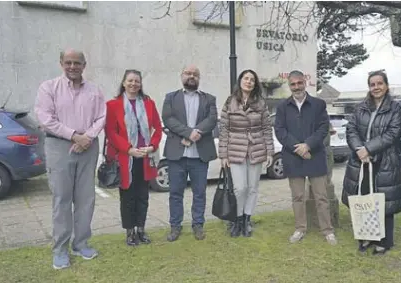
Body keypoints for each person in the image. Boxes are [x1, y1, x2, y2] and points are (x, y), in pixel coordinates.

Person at [34, 49, 105, 269]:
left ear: (84, 65)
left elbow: (102, 116)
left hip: (88, 147)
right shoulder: (48, 88)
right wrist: (75, 135)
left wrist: (87, 138)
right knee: (62, 200)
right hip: (59, 146)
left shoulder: (94, 91)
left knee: (86, 199)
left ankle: (81, 243)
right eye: (68, 62)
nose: (72, 66)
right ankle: (60, 249)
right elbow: (45, 118)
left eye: (77, 63)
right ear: (61, 63)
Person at [342, 71, 401, 255]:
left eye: (380, 83)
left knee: (384, 201)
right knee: (363, 199)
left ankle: (384, 241)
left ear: (386, 85)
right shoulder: (360, 107)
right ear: (369, 87)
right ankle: (366, 235)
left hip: (385, 161)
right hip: (361, 160)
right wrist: (359, 150)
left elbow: (393, 133)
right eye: (373, 84)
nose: (376, 87)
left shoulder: (395, 108)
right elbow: (351, 129)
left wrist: (368, 148)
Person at [274, 70, 337, 245]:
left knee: (321, 197)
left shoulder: (318, 104)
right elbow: (280, 131)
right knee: (298, 197)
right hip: (293, 157)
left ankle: (327, 230)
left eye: (299, 83)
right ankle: (300, 228)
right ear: (289, 85)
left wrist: (308, 145)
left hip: (315, 156)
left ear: (305, 82)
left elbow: (323, 128)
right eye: (293, 84)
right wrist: (299, 148)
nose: (296, 87)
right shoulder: (282, 107)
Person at [104, 70, 162, 246]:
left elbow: (158, 128)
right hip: (125, 158)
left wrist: (152, 146)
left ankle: (141, 230)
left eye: (137, 81)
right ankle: (130, 232)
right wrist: (128, 149)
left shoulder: (148, 103)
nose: (133, 84)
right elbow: (111, 132)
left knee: (143, 196)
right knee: (128, 197)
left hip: (145, 157)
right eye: (130, 81)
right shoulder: (113, 105)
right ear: (123, 83)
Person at [161, 65, 218, 242]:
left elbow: (212, 119)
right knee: (175, 193)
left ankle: (198, 225)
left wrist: (196, 133)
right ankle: (175, 226)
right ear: (182, 76)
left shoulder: (209, 98)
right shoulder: (171, 97)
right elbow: (168, 119)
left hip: (200, 156)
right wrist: (187, 133)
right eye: (188, 73)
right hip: (176, 155)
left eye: (195, 74)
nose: (191, 76)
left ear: (199, 78)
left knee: (199, 192)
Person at [218, 69, 274, 238]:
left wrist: (270, 152)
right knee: (239, 187)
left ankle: (246, 220)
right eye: (246, 78)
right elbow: (224, 129)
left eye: (252, 79)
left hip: (256, 149)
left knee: (252, 188)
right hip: (235, 150)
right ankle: (237, 218)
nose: (248, 81)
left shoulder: (261, 103)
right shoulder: (230, 102)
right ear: (240, 81)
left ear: (255, 84)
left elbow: (266, 128)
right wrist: (223, 155)